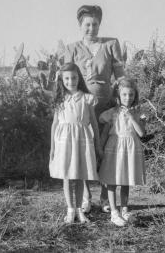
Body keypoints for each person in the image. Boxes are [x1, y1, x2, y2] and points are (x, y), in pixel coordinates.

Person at [64, 5, 125, 213]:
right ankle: (86, 198)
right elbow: (66, 80)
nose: (91, 28)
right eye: (87, 24)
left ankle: (105, 199)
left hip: (106, 106)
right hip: (82, 109)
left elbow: (120, 75)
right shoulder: (72, 48)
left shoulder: (110, 44)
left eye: (95, 24)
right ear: (80, 25)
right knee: (85, 151)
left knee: (107, 151)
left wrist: (124, 100)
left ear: (100, 24)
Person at [49, 63, 103, 223]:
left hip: (82, 140)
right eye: (66, 78)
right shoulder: (60, 99)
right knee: (67, 176)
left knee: (79, 176)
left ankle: (80, 210)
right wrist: (52, 148)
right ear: (62, 80)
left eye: (73, 77)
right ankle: (70, 210)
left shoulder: (87, 98)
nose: (70, 81)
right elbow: (54, 124)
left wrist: (97, 143)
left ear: (79, 78)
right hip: (64, 142)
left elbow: (93, 122)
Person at [99, 78, 146, 226]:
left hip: (130, 149)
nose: (128, 98)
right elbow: (105, 134)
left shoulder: (139, 113)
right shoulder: (112, 113)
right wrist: (99, 150)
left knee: (126, 180)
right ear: (118, 96)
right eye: (124, 94)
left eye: (131, 94)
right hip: (114, 148)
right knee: (112, 181)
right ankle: (114, 212)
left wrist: (132, 116)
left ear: (135, 95)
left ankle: (124, 209)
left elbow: (141, 133)